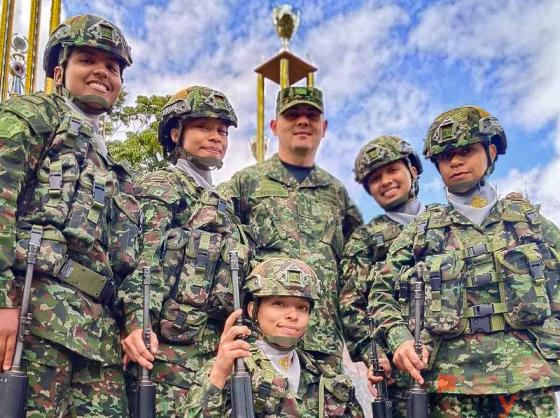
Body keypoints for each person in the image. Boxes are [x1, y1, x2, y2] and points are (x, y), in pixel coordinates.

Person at [369, 105, 560, 417]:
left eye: (467, 151)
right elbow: (380, 292)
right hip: (448, 386)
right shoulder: (422, 229)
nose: (455, 161)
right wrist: (400, 340)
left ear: (491, 151)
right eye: (445, 157)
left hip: (528, 381)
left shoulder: (529, 222)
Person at [0, 14, 138, 416]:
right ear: (60, 70)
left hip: (98, 337)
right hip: (32, 317)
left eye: (112, 67)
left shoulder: (112, 165)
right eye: (87, 60)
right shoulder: (33, 115)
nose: (101, 72)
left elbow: (125, 259)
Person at [119, 86, 250, 416]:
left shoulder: (225, 204)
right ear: (176, 133)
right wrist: (138, 322)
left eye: (222, 130)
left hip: (215, 351)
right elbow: (143, 258)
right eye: (203, 127)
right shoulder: (163, 185)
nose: (216, 137)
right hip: (167, 356)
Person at [219, 86, 362, 370]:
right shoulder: (246, 183)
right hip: (262, 342)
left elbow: (357, 268)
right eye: (292, 115)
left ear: (324, 127)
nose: (302, 121)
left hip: (323, 342)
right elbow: (213, 241)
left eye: (311, 115)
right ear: (274, 125)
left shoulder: (336, 192)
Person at [185, 257, 364, 417]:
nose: (293, 315)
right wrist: (218, 376)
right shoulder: (230, 368)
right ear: (252, 310)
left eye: (302, 307)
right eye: (279, 304)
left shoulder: (324, 377)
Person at [340, 135, 425, 417]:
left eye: (392, 170)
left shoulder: (444, 222)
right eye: (375, 178)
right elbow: (350, 305)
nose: (386, 181)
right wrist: (371, 351)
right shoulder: (365, 240)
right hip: (400, 375)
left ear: (412, 170)